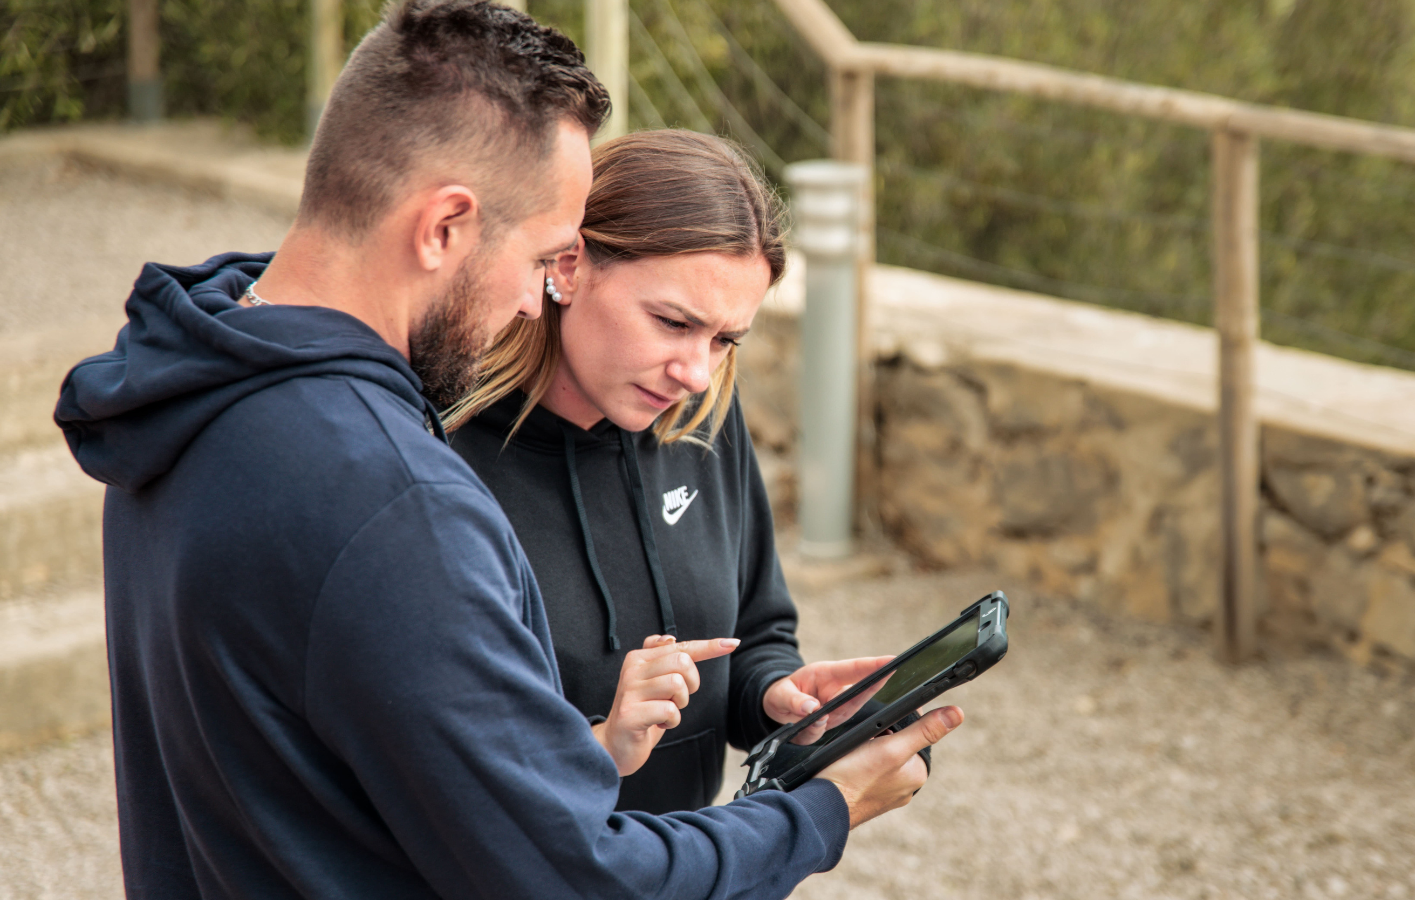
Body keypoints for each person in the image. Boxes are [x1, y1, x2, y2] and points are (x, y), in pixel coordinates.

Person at [53, 3, 960, 898]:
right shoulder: (401, 502)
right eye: (542, 259)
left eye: (727, 339)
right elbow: (580, 880)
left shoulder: (198, 389)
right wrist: (824, 810)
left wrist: (765, 700)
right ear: (444, 226)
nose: (538, 302)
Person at [446, 129, 919, 814]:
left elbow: (756, 632)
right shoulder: (436, 449)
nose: (697, 373)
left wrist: (779, 699)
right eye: (672, 322)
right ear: (570, 264)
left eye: (725, 339)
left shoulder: (702, 421)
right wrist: (598, 742)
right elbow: (435, 757)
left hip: (692, 867)